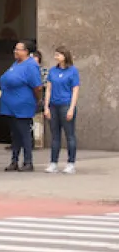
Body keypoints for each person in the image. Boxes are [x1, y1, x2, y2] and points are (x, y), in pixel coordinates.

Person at [0, 39, 43, 172]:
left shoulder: (31, 65)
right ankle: (14, 160)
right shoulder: (16, 63)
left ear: (26, 51)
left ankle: (28, 161)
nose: (15, 51)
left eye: (18, 49)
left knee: (24, 133)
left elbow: (37, 87)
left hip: (23, 105)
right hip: (10, 105)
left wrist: (38, 100)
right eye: (15, 49)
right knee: (15, 134)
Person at [44, 46, 80, 174]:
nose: (56, 57)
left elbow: (75, 91)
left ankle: (71, 163)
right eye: (55, 54)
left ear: (65, 56)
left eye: (58, 54)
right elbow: (48, 89)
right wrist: (46, 106)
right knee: (55, 136)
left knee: (69, 135)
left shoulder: (73, 71)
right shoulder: (52, 71)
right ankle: (53, 163)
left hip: (66, 104)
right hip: (53, 105)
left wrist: (71, 108)